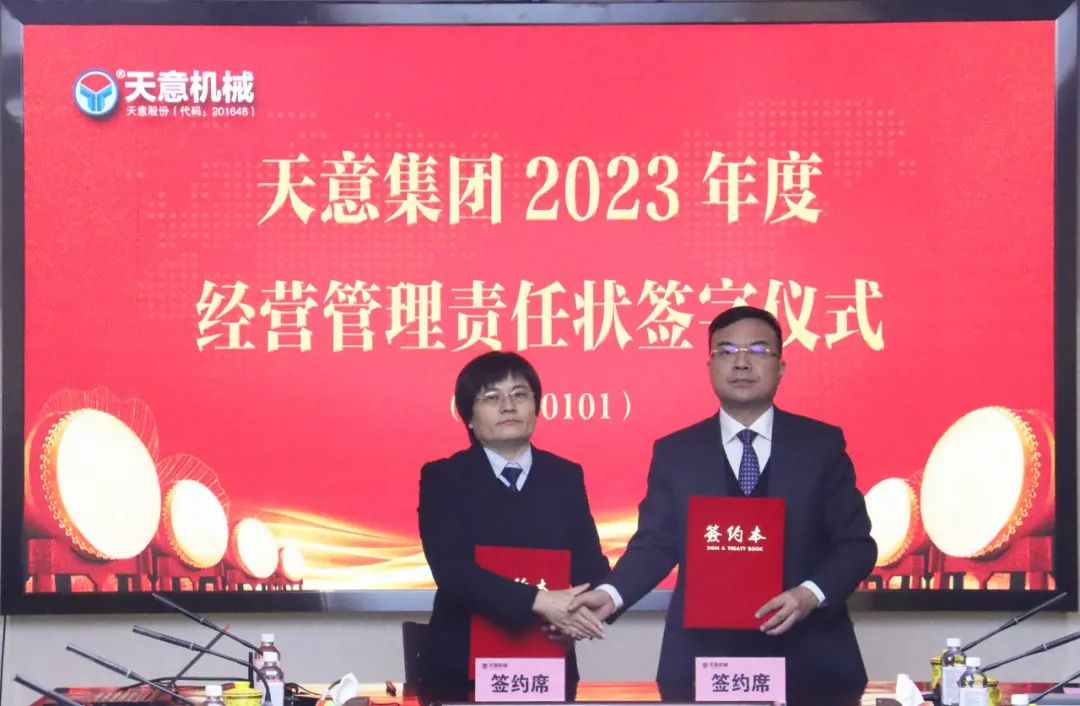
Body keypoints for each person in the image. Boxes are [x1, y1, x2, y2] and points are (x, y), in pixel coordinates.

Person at [566, 306, 876, 701]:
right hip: (705, 656)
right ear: (710, 366)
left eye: (758, 351)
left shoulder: (821, 446)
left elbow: (856, 545)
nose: (741, 363)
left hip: (810, 654)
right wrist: (610, 595)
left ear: (781, 368)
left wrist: (810, 594)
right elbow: (655, 545)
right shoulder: (677, 453)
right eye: (727, 351)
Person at [417, 351, 610, 701]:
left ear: (536, 407)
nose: (508, 406)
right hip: (460, 667)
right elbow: (453, 573)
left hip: (547, 660)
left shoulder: (565, 476)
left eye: (520, 394)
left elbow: (590, 566)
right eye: (492, 397)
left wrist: (575, 614)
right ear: (468, 417)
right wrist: (541, 601)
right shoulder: (443, 478)